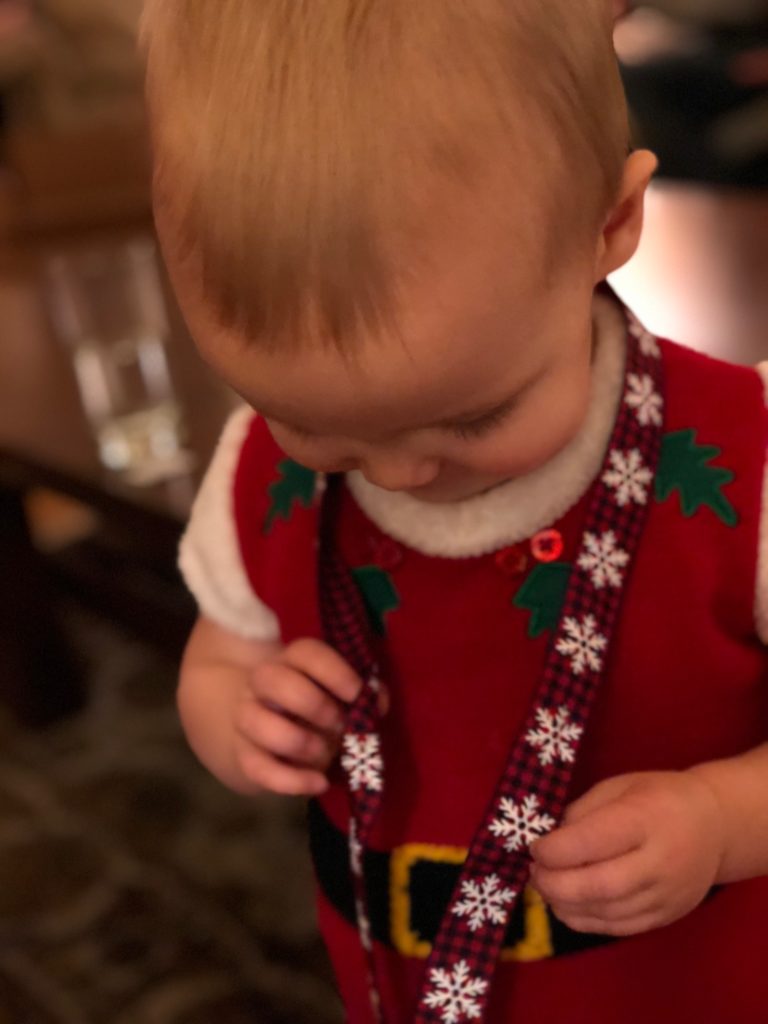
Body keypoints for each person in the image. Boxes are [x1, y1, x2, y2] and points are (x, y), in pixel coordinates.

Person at [140, 1, 768, 1020]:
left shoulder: (749, 462)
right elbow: (225, 648)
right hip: (397, 974)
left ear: (607, 227)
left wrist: (722, 818)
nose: (401, 472)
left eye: (476, 416)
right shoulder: (253, 467)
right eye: (321, 430)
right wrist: (234, 710)